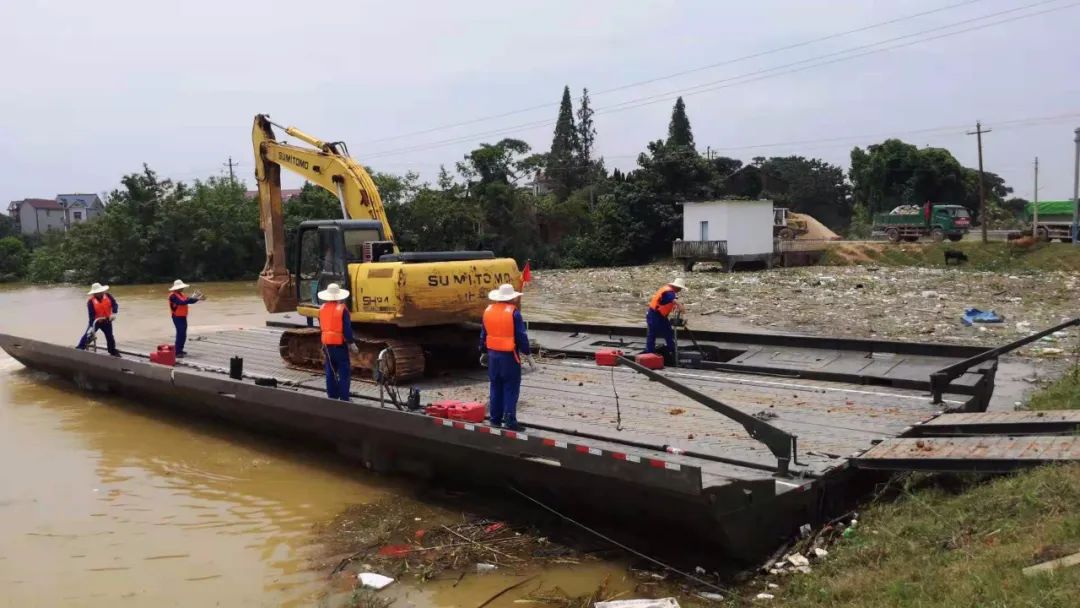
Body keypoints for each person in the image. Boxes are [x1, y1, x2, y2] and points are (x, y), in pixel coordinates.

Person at [480, 283, 533, 431]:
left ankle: (495, 419)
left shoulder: (488, 311)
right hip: (509, 356)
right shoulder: (514, 313)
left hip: (492, 355)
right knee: (510, 388)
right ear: (511, 298)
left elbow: (483, 334)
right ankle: (510, 420)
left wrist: (483, 351)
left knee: (495, 386)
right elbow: (521, 336)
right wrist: (527, 353)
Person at [317, 283, 358, 401]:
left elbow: (323, 327)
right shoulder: (342, 309)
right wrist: (351, 343)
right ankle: (344, 397)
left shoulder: (322, 309)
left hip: (327, 346)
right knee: (344, 372)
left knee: (330, 371)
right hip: (339, 346)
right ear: (339, 296)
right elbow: (347, 328)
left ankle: (332, 396)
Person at [644, 278, 687, 359]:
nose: (680, 290)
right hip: (654, 314)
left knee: (668, 332)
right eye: (680, 288)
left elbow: (668, 302)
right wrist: (679, 305)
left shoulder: (670, 292)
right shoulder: (669, 292)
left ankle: (672, 350)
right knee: (652, 334)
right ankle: (650, 353)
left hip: (661, 316)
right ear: (677, 287)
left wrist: (676, 306)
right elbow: (673, 299)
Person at [76, 282, 120, 357]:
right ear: (94, 293)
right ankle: (80, 349)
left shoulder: (108, 296)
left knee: (110, 336)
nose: (99, 293)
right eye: (97, 292)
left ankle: (112, 351)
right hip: (96, 322)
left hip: (107, 321)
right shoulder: (91, 302)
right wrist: (94, 322)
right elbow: (91, 314)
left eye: (100, 291)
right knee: (88, 335)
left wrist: (114, 314)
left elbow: (114, 304)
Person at [168, 279, 203, 358]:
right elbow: (182, 302)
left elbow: (188, 301)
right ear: (177, 288)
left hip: (182, 316)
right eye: (181, 287)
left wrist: (197, 298)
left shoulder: (180, 294)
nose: (183, 288)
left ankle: (180, 350)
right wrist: (195, 298)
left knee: (183, 333)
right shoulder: (173, 295)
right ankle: (177, 352)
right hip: (177, 316)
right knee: (180, 333)